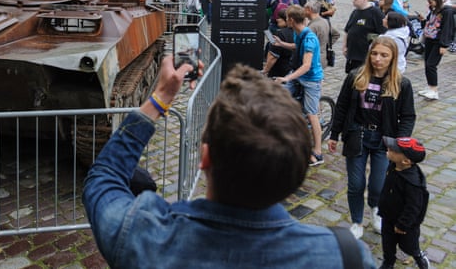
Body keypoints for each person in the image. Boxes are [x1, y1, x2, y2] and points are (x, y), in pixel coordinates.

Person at [83, 57, 375, 268]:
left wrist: (159, 99)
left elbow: (104, 177)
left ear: (205, 157)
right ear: (297, 172)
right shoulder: (344, 257)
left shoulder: (143, 236)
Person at [328, 36, 416, 240]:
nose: (378, 58)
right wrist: (334, 133)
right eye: (374, 54)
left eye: (384, 55)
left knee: (378, 184)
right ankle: (357, 221)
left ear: (393, 57)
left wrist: (400, 143)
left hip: (384, 140)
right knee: (356, 183)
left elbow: (408, 116)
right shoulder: (355, 76)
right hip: (357, 135)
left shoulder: (401, 83)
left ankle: (376, 210)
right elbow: (341, 106)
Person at [274, 5, 324, 167]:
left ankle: (317, 151)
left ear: (291, 20)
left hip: (310, 79)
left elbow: (306, 65)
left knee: (311, 114)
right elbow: (296, 47)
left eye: (287, 18)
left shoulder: (309, 38)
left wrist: (287, 78)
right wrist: (282, 44)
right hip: (298, 75)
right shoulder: (298, 33)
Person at [378, 136, 430, 269]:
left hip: (405, 224)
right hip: (388, 216)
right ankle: (388, 262)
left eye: (393, 149)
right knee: (387, 243)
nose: (388, 149)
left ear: (406, 161)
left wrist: (402, 225)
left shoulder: (412, 183)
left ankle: (418, 255)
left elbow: (414, 207)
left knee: (408, 245)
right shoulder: (393, 165)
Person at [416, 0, 454, 100]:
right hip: (429, 39)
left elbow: (447, 28)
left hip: (438, 42)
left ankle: (434, 90)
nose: (429, 4)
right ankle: (430, 87)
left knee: (431, 65)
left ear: (436, 1)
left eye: (431, 1)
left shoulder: (446, 12)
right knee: (427, 64)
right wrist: (423, 20)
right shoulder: (433, 11)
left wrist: (444, 45)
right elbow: (429, 24)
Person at [343, 0, 386, 73]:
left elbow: (383, 33)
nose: (353, 1)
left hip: (365, 55)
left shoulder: (375, 12)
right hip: (352, 54)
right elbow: (347, 30)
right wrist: (344, 46)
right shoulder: (355, 12)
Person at [305, 0, 338, 70]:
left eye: (305, 9)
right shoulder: (325, 21)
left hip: (313, 59)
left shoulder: (312, 27)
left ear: (309, 9)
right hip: (322, 58)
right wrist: (326, 45)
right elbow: (336, 34)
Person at [261, 8, 294, 78]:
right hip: (292, 68)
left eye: (279, 17)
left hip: (279, 70)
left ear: (286, 19)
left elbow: (273, 56)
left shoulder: (280, 34)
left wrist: (265, 70)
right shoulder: (297, 32)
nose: (277, 19)